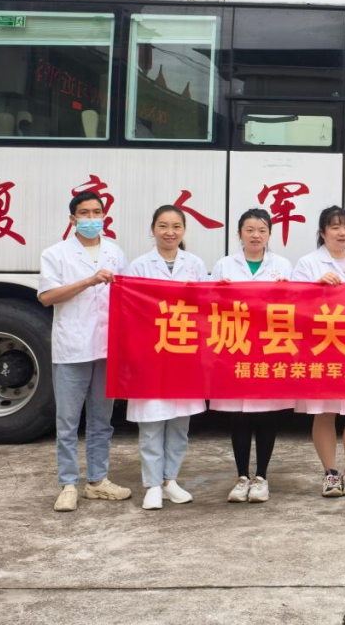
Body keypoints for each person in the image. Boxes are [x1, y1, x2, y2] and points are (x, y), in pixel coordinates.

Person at [39, 191, 131, 512]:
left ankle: (97, 481)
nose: (91, 218)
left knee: (102, 420)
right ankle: (68, 484)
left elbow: (128, 296)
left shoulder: (115, 252)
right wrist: (89, 281)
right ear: (73, 218)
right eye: (84, 213)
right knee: (67, 421)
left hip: (106, 348)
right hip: (72, 347)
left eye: (96, 212)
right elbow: (47, 297)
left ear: (104, 216)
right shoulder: (56, 254)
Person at [126, 205, 208, 511]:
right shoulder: (138, 266)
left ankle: (170, 480)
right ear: (153, 229)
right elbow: (131, 309)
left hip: (184, 354)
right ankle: (152, 484)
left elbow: (205, 306)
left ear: (184, 230)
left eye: (176, 226)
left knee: (178, 424)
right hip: (151, 353)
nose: (169, 232)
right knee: (151, 422)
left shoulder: (195, 264)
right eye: (163, 226)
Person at [210, 208, 294, 504]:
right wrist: (218, 293)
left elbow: (296, 307)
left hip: (269, 348)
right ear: (239, 234)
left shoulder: (282, 265)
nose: (256, 235)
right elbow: (208, 305)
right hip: (236, 347)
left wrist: (287, 293)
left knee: (266, 415)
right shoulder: (224, 265)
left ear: (269, 234)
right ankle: (242, 476)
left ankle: (261, 477)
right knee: (239, 416)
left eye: (261, 230)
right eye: (249, 230)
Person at [292, 206, 345, 498]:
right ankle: (329, 473)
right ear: (322, 232)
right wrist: (314, 286)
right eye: (335, 227)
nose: (342, 233)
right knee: (325, 410)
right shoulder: (308, 263)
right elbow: (294, 303)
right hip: (323, 348)